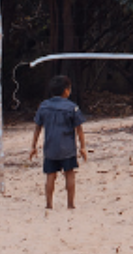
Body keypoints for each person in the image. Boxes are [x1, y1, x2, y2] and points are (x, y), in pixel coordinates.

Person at [27, 74, 89, 210]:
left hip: (50, 149)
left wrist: (33, 146)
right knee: (70, 174)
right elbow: (79, 129)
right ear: (66, 90)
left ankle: (49, 205)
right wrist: (83, 147)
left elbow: (37, 127)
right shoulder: (72, 107)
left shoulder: (43, 106)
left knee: (50, 176)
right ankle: (71, 204)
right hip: (67, 148)